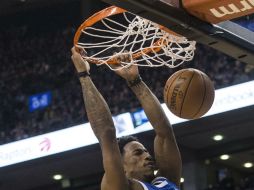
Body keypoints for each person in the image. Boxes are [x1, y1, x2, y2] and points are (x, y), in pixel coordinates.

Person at [71, 47, 182, 190]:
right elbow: (106, 134)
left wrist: (135, 81)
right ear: (122, 166)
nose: (148, 156)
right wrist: (84, 75)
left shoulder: (166, 181)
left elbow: (164, 132)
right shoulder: (120, 186)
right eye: (138, 153)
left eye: (145, 151)